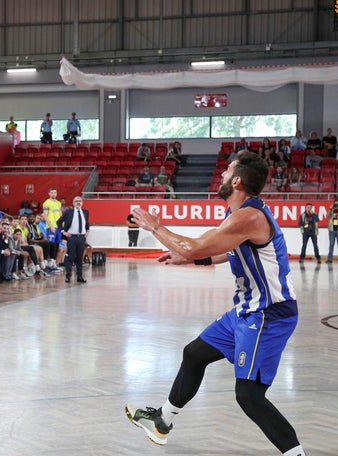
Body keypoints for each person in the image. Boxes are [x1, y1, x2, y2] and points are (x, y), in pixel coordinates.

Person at [125, 151, 305, 456]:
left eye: (227, 170)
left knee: (249, 395)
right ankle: (162, 423)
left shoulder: (249, 217)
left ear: (237, 181)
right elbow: (220, 250)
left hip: (269, 314)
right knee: (194, 354)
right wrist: (192, 258)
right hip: (246, 309)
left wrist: (156, 227)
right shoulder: (239, 214)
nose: (221, 173)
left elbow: (194, 246)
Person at [56, 196, 89, 283]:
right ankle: (68, 276)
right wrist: (63, 232)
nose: (78, 202)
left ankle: (79, 276)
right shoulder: (68, 212)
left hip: (81, 237)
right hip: (71, 237)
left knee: (79, 258)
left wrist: (87, 230)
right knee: (70, 257)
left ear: (82, 202)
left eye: (80, 201)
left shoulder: (85, 212)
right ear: (73, 203)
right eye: (76, 201)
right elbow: (58, 221)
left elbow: (86, 223)